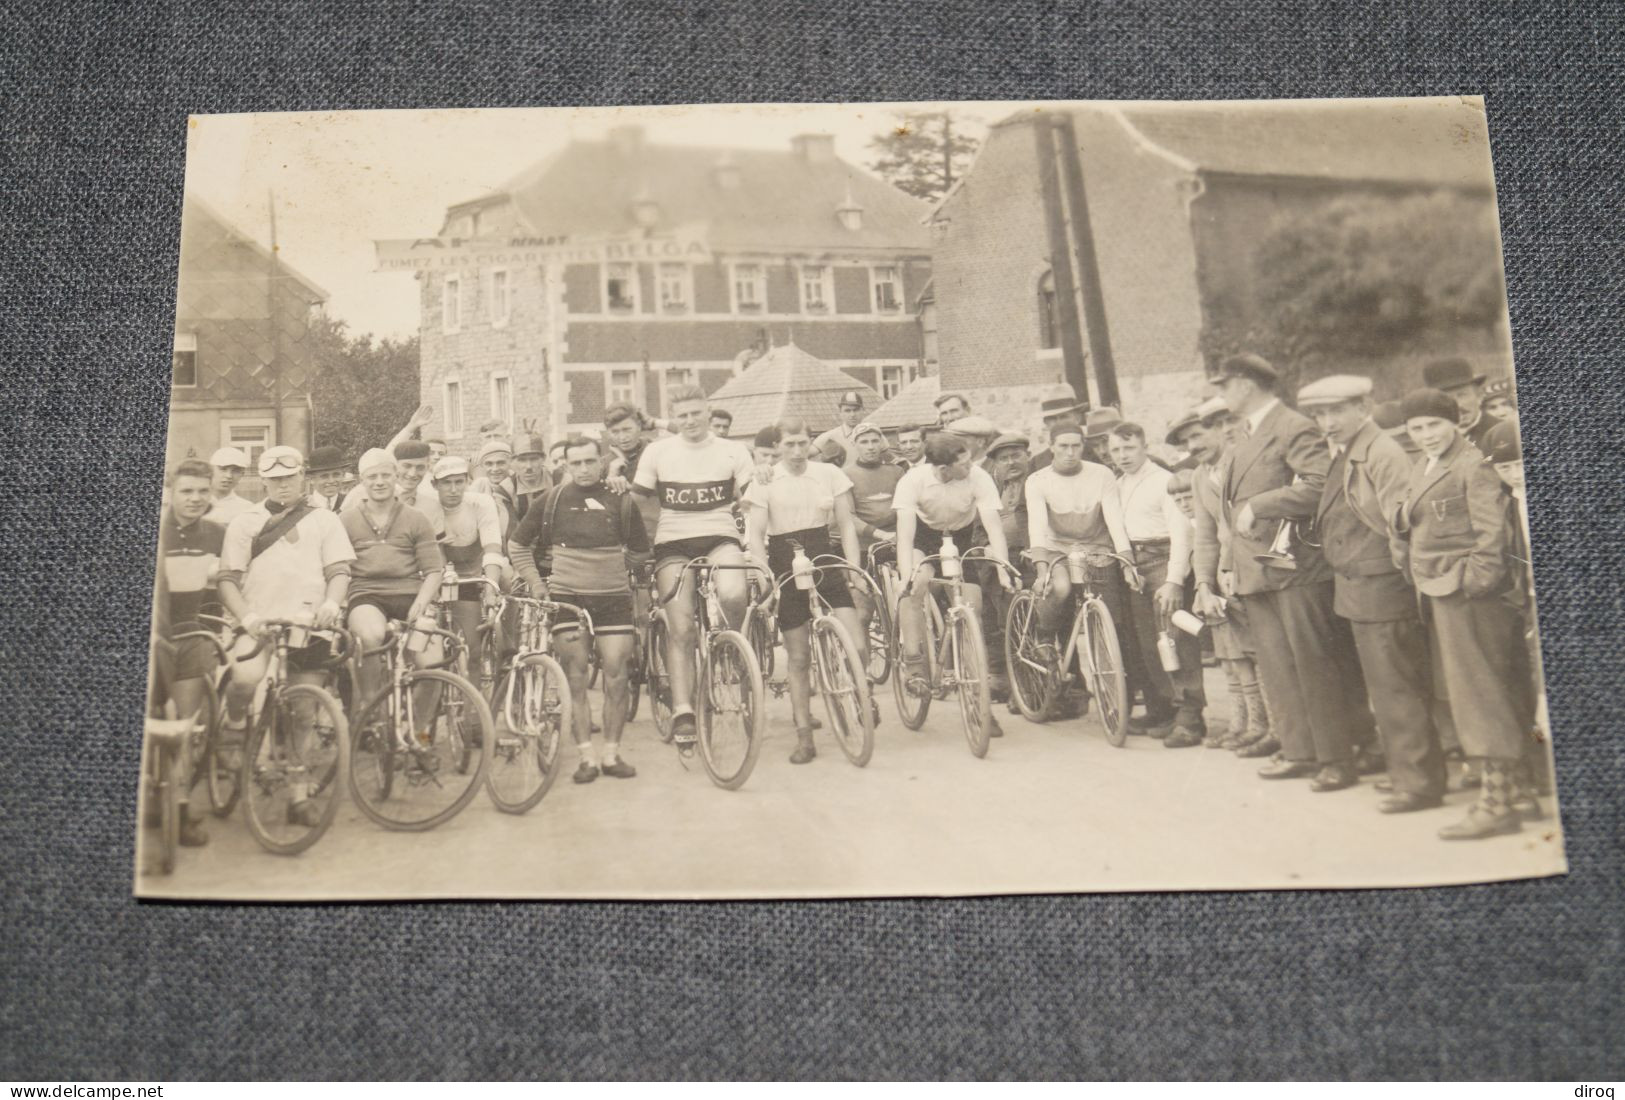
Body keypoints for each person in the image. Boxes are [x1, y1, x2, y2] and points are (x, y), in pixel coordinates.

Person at [1194, 354, 1363, 790]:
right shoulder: (1243, 437)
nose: (1222, 394)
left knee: (1313, 664)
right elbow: (1229, 513)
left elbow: (1320, 484)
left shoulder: (1291, 426)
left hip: (1295, 568)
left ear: (1247, 384)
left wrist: (1261, 506)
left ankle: (1337, 758)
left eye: (1225, 385)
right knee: (1278, 666)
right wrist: (1230, 566)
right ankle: (1300, 751)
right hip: (1258, 571)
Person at [1390, 388, 1538, 838]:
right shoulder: (1424, 464)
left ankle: (1496, 805)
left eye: (1434, 424)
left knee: (1480, 699)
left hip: (1469, 598)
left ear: (1453, 422)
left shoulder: (1472, 464)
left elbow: (1490, 539)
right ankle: (1519, 794)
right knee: (1484, 694)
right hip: (1441, 593)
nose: (1426, 435)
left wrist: (1472, 585)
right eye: (1416, 428)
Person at [1298, 375, 1446, 813]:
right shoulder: (1350, 452)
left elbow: (1401, 524)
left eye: (1335, 412)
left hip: (1383, 587)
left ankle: (1419, 783)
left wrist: (1402, 580)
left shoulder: (1379, 452)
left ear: (1362, 406)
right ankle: (1409, 772)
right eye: (1320, 414)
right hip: (1360, 588)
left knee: (1397, 688)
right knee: (1387, 689)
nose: (1326, 423)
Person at [215, 446, 355, 828]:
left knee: (305, 710)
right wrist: (247, 617)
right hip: (259, 620)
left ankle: (297, 792)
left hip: (307, 623)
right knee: (246, 679)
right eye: (274, 479)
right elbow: (227, 579)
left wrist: (331, 603)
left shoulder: (324, 520)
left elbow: (339, 570)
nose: (282, 486)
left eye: (289, 478)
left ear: (302, 477)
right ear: (263, 481)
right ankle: (235, 728)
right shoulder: (246, 522)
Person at [511, 436, 648, 783]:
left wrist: (616, 569)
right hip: (567, 597)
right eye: (576, 463)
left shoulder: (621, 498)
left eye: (590, 462)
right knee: (575, 677)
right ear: (565, 465)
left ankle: (612, 754)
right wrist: (539, 586)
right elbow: (516, 545)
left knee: (618, 675)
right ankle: (586, 756)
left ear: (601, 462)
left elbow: (639, 551)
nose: (584, 469)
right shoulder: (552, 499)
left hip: (613, 597)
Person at [629, 384, 758, 747]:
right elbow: (637, 501)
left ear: (708, 412)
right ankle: (684, 709)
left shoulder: (733, 451)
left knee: (734, 592)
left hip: (720, 536)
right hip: (673, 542)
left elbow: (751, 496)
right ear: (675, 417)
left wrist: (755, 494)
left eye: (696, 413)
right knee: (681, 627)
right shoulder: (658, 451)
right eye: (682, 415)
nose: (690, 421)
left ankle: (734, 647)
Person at [744, 418, 869, 763]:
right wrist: (764, 573)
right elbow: (755, 534)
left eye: (802, 443)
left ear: (810, 442)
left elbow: (845, 524)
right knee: (798, 657)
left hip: (824, 555)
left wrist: (853, 569)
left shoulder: (829, 474)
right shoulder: (765, 479)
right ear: (778, 447)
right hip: (784, 559)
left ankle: (861, 690)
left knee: (857, 643)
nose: (797, 451)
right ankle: (804, 736)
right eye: (789, 445)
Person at [893, 433, 1013, 737]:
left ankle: (978, 701)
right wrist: (907, 573)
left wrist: (1003, 569)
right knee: (915, 585)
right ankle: (914, 664)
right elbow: (905, 537)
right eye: (963, 463)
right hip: (924, 536)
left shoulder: (978, 477)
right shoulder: (913, 480)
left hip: (960, 538)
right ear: (943, 468)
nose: (970, 466)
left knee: (973, 605)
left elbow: (993, 528)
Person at [1023, 418, 1136, 716]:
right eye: (1063, 446)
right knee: (1058, 588)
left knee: (1108, 615)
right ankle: (1045, 636)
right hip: (1056, 546)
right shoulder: (1037, 480)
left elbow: (1113, 518)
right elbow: (1037, 526)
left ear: (1083, 447)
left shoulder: (1101, 474)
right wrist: (1041, 567)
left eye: (1076, 446)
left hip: (1096, 547)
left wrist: (1125, 558)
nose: (1070, 452)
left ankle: (1114, 686)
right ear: (1051, 448)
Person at [1107, 422, 1206, 746]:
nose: (1123, 456)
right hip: (1136, 565)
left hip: (1165, 561)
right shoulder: (1119, 484)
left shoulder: (1162, 480)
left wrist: (1175, 581)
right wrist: (1127, 566)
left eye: (1129, 448)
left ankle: (1190, 717)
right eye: (1116, 450)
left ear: (1144, 447)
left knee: (1175, 640)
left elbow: (1182, 534)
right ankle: (1163, 710)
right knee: (1150, 644)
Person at [1180, 398, 1270, 752]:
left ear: (1220, 429)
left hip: (1255, 567)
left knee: (1262, 653)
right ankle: (1246, 723)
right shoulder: (1201, 475)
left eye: (1198, 436)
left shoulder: (1242, 462)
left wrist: (1232, 566)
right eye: (1187, 442)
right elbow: (1205, 535)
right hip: (1224, 576)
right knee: (1231, 653)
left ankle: (1273, 728)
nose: (1193, 447)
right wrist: (1204, 585)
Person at [340, 448, 446, 740]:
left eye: (385, 475)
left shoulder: (416, 518)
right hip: (366, 594)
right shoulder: (345, 520)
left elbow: (433, 570)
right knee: (370, 637)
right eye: (372, 477)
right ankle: (372, 707)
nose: (379, 482)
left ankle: (418, 730)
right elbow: (337, 568)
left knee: (432, 666)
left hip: (411, 594)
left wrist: (422, 602)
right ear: (362, 481)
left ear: (396, 477)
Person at [156, 459, 227, 848]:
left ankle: (180, 809)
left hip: (191, 635)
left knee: (185, 726)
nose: (195, 498)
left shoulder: (217, 533)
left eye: (203, 491)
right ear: (170, 492)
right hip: (152, 639)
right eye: (187, 491)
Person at [417, 455, 506, 678]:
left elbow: (493, 546)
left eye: (459, 482)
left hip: (472, 574)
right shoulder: (425, 505)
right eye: (447, 483)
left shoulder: (480, 503)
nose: (454, 489)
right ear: (434, 485)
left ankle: (508, 653)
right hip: (436, 576)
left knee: (472, 647)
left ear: (467, 481)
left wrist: (490, 587)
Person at [1422, 358, 1502, 457]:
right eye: (1446, 398)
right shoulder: (1427, 439)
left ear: (1479, 396)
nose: (1458, 405)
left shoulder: (1503, 433)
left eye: (1462, 395)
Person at [1028, 386, 1091, 473]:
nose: (1059, 423)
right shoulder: (1037, 462)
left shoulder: (1094, 451)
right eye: (1052, 418)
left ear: (1077, 418)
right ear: (1046, 423)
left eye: (1064, 417)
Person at [603, 403, 653, 492]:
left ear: (639, 426)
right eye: (615, 432)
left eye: (627, 430)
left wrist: (654, 423)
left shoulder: (655, 452)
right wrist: (610, 476)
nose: (622, 437)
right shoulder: (604, 463)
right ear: (608, 433)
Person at [813, 390, 870, 468]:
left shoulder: (873, 434)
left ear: (863, 410)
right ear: (840, 412)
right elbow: (805, 454)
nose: (852, 415)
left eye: (856, 410)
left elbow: (890, 459)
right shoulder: (831, 436)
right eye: (847, 411)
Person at [508, 432, 553, 525]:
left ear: (543, 458)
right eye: (522, 460)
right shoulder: (505, 489)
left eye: (534, 459)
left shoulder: (558, 479)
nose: (528, 466)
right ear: (512, 461)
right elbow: (510, 529)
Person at [204, 446, 254, 525]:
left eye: (235, 471)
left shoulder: (247, 509)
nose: (228, 476)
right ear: (210, 470)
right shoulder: (196, 503)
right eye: (223, 469)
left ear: (242, 474)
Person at [305, 446, 348, 511]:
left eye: (336, 475)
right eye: (324, 476)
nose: (331, 481)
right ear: (311, 479)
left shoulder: (348, 503)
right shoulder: (303, 507)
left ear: (343, 475)